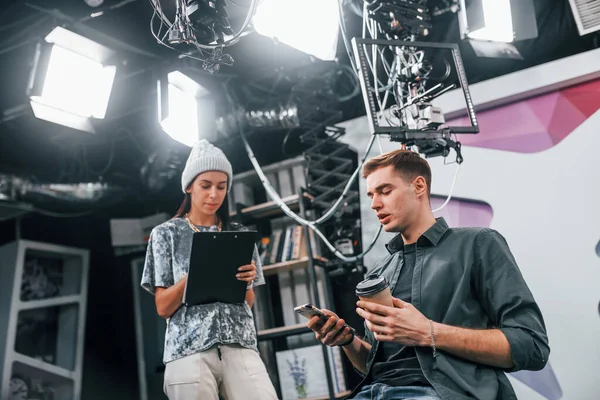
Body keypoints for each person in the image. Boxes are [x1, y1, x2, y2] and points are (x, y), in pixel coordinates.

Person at [305, 149, 549, 400]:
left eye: (385, 191)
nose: (374, 204)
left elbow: (532, 346)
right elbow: (376, 365)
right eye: (371, 195)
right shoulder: (379, 272)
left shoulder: (479, 244)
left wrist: (427, 331)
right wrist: (347, 341)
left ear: (419, 186)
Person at [141, 140, 278, 400]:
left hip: (241, 345)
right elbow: (163, 307)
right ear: (189, 186)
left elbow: (248, 303)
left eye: (221, 186)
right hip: (187, 351)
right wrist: (194, 276)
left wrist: (246, 282)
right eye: (205, 186)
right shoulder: (166, 235)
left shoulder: (238, 234)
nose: (214, 194)